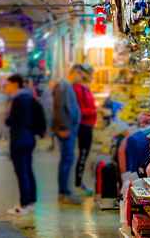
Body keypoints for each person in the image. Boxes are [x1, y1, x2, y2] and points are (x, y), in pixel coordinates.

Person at [5, 74, 42, 215]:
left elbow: (11, 121)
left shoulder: (18, 100)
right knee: (27, 169)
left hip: (19, 139)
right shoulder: (29, 97)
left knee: (22, 172)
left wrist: (8, 117)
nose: (6, 88)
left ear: (15, 84)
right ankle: (31, 201)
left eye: (8, 84)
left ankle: (24, 204)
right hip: (29, 138)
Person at [52, 66, 82, 205]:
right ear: (73, 72)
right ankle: (64, 193)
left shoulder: (66, 86)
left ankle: (64, 192)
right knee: (66, 160)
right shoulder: (63, 86)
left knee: (67, 160)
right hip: (66, 129)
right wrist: (63, 127)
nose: (80, 77)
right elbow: (59, 107)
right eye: (79, 74)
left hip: (69, 128)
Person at [73, 64, 97, 196]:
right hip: (83, 126)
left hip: (88, 125)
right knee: (82, 155)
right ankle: (78, 183)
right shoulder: (78, 89)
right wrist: (95, 111)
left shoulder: (84, 88)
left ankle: (79, 182)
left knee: (84, 155)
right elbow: (79, 111)